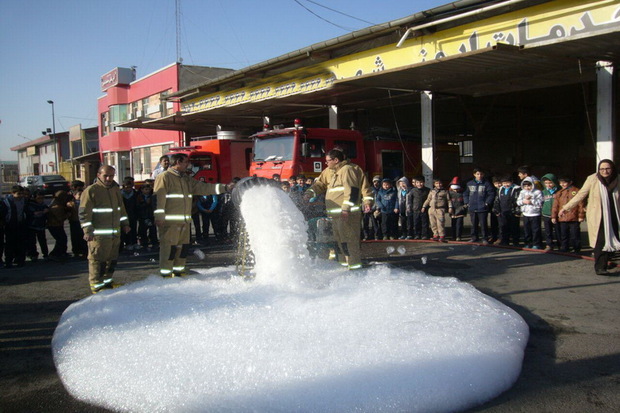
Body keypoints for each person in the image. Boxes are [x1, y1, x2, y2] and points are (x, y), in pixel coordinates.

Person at [153, 153, 227, 277]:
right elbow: (158, 199)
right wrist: (159, 217)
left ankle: (179, 271)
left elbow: (204, 188)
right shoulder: (164, 177)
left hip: (185, 222)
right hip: (170, 223)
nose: (188, 164)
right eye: (186, 162)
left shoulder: (186, 178)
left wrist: (224, 188)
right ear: (177, 162)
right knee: (169, 248)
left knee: (183, 248)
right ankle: (165, 274)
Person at [305, 149, 374, 270]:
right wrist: (309, 193)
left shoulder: (348, 169)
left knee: (349, 242)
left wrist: (347, 209)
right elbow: (320, 184)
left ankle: (354, 269)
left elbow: (352, 192)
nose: (325, 163)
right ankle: (343, 267)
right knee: (340, 243)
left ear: (336, 160)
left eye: (327, 161)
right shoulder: (329, 171)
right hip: (335, 215)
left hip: (347, 214)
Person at [560, 159, 620, 275]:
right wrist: (566, 208)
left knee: (613, 240)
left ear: (612, 169)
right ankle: (600, 268)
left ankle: (607, 261)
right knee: (600, 241)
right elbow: (581, 194)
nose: (605, 171)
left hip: (614, 216)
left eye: (608, 168)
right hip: (598, 216)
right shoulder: (592, 179)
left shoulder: (618, 179)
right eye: (602, 169)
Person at [79, 165, 131, 293]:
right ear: (98, 175)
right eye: (105, 175)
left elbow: (121, 209)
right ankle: (96, 284)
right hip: (98, 235)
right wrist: (87, 231)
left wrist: (125, 224)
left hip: (114, 233)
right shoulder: (91, 190)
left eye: (111, 176)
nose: (108, 178)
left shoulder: (115, 189)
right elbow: (84, 213)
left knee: (111, 259)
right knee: (97, 260)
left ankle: (107, 281)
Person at [551, 176, 584, 253]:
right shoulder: (559, 193)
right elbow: (555, 206)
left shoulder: (577, 191)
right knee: (564, 234)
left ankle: (576, 248)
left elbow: (581, 204)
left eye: (564, 182)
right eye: (561, 183)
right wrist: (553, 216)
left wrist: (581, 215)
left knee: (575, 234)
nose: (562, 184)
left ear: (570, 182)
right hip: (562, 217)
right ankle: (565, 247)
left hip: (574, 216)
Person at [463, 168, 495, 244]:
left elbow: (491, 194)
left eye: (481, 174)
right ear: (474, 174)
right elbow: (465, 194)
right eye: (477, 174)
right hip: (472, 207)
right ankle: (474, 237)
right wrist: (467, 202)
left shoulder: (487, 184)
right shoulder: (469, 183)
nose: (479, 175)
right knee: (473, 224)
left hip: (482, 208)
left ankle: (485, 238)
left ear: (483, 175)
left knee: (483, 224)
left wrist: (487, 203)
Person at [2, 185, 27, 268]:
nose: (21, 196)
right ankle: (8, 261)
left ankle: (20, 260)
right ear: (13, 193)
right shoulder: (7, 202)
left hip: (20, 224)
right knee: (10, 244)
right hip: (10, 225)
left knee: (21, 243)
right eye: (18, 194)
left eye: (22, 194)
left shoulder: (23, 200)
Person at [494, 175, 521, 246]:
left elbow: (517, 200)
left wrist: (517, 211)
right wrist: (497, 210)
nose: (506, 184)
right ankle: (505, 241)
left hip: (512, 212)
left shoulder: (516, 189)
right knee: (504, 227)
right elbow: (497, 200)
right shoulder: (500, 189)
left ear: (511, 182)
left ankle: (515, 242)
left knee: (514, 227)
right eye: (504, 183)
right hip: (503, 211)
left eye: (507, 183)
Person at [517, 177, 543, 249]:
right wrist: (523, 201)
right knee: (527, 230)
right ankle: (528, 243)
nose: (527, 187)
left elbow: (540, 203)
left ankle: (536, 244)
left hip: (535, 214)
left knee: (535, 230)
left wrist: (531, 201)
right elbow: (518, 202)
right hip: (526, 213)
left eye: (529, 185)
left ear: (532, 185)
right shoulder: (522, 192)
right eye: (525, 186)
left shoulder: (538, 192)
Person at [47, 190, 72, 261]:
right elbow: (60, 218)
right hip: (54, 225)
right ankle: (54, 254)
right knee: (61, 239)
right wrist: (67, 215)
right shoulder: (56, 206)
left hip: (57, 225)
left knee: (63, 239)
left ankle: (62, 252)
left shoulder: (58, 204)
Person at [25, 190, 49, 261]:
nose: (41, 200)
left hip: (41, 225)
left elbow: (47, 210)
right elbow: (34, 213)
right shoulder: (30, 204)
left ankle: (45, 254)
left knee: (43, 241)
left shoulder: (43, 204)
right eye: (39, 198)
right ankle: (33, 254)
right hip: (32, 225)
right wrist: (42, 212)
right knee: (32, 242)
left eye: (42, 198)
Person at [68, 181, 88, 258]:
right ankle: (76, 251)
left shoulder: (85, 202)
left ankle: (84, 251)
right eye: (79, 195)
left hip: (83, 221)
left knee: (83, 237)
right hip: (74, 221)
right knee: (75, 237)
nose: (80, 196)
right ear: (74, 195)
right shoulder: (71, 203)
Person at [541, 173, 560, 251]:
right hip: (546, 214)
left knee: (558, 231)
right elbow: (541, 202)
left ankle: (560, 244)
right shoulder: (543, 192)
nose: (548, 185)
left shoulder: (559, 191)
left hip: (557, 214)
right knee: (548, 231)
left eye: (550, 183)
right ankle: (549, 244)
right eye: (546, 183)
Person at [120, 177, 139, 250]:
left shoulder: (135, 193)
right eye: (126, 185)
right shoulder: (120, 194)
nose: (128, 188)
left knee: (133, 229)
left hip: (133, 214)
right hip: (124, 214)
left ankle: (134, 242)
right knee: (125, 229)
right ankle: (127, 243)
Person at [363, 175, 381, 240]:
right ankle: (366, 236)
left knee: (375, 224)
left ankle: (376, 236)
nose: (376, 183)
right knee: (365, 223)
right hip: (366, 209)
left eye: (378, 182)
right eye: (375, 182)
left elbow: (377, 200)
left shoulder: (381, 190)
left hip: (374, 209)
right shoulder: (370, 190)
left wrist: (376, 208)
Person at [448, 177, 466, 241]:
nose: (455, 191)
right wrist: (450, 208)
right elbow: (448, 201)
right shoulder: (449, 193)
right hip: (453, 210)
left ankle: (459, 236)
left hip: (461, 210)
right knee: (453, 224)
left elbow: (466, 201)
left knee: (459, 224)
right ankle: (453, 236)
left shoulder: (463, 192)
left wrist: (464, 207)